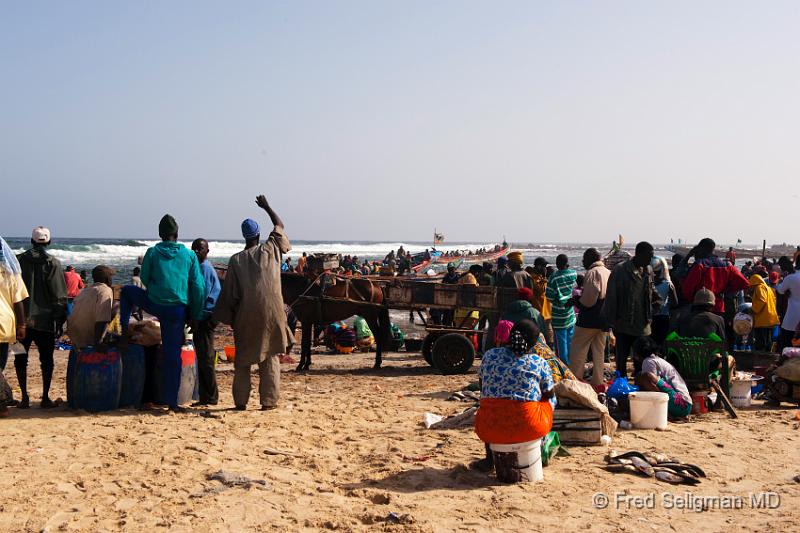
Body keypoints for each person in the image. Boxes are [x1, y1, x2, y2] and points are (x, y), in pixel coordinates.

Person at [119, 215, 206, 412]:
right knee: (172, 355)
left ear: (160, 235)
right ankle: (172, 403)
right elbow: (198, 287)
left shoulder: (152, 252)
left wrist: (156, 291)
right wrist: (196, 314)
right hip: (177, 310)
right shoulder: (189, 256)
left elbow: (144, 277)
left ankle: (123, 332)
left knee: (126, 292)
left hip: (155, 304)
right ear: (177, 234)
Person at [214, 195, 292, 411]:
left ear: (244, 237)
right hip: (273, 313)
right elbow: (280, 224)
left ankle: (240, 402)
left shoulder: (236, 260)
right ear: (258, 235)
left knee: (243, 360)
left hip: (247, 315)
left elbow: (230, 294)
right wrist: (267, 207)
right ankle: (268, 402)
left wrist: (228, 317)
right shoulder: (271, 248)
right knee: (270, 356)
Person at [474, 320, 555, 471]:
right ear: (534, 343)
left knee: (490, 402)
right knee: (549, 400)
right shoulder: (539, 362)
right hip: (529, 428)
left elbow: (483, 386)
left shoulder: (489, 355)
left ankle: (489, 459)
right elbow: (549, 393)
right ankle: (540, 447)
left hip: (488, 427)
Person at [16, 226, 68, 408]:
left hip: (21, 321)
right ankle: (45, 398)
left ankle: (24, 398)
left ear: (31, 241)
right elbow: (59, 295)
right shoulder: (53, 263)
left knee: (20, 358)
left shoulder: (18, 260)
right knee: (47, 360)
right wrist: (60, 321)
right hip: (45, 322)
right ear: (49, 242)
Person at [602, 241, 656, 377]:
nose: (651, 260)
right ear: (639, 254)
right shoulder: (620, 271)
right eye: (649, 256)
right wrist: (609, 323)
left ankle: (640, 384)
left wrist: (657, 302)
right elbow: (611, 297)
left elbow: (651, 290)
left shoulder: (648, 270)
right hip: (623, 324)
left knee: (643, 359)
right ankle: (622, 388)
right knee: (621, 359)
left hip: (643, 325)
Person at [569, 248, 611, 387]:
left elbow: (589, 300)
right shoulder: (608, 272)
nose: (582, 262)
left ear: (591, 259)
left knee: (578, 350)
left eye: (584, 259)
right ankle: (598, 382)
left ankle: (576, 380)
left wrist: (576, 301)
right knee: (599, 352)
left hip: (589, 319)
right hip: (604, 319)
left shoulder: (593, 273)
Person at [676, 238, 749, 314]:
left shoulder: (700, 264)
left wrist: (688, 256)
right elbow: (744, 283)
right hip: (719, 307)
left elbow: (687, 289)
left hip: (700, 307)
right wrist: (727, 291)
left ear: (701, 249)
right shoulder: (727, 265)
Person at [191, 238, 221, 406]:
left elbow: (204, 297)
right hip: (203, 316)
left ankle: (210, 396)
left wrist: (197, 317)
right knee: (202, 357)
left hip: (206, 317)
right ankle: (205, 396)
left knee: (206, 358)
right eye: (194, 248)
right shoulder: (199, 268)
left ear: (206, 251)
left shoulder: (204, 269)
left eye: (199, 249)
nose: (196, 251)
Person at [0, 237, 29, 412]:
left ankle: (2, 403)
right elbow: (18, 301)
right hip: (4, 322)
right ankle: (4, 401)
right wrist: (22, 325)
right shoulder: (10, 271)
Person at [632, 337, 692, 419]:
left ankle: (661, 409)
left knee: (644, 377)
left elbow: (648, 383)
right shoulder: (655, 360)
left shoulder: (648, 361)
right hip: (685, 405)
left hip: (681, 404)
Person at [66, 265, 115, 349]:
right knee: (116, 307)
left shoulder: (85, 291)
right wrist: (98, 343)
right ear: (107, 279)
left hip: (75, 337)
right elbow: (102, 319)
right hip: (89, 339)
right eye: (111, 277)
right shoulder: (105, 290)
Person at [545, 254, 577, 364]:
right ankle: (571, 363)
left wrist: (557, 301)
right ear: (567, 263)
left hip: (558, 314)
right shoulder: (573, 273)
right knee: (570, 340)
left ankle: (564, 366)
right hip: (570, 313)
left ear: (557, 264)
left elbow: (549, 296)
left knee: (561, 342)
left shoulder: (554, 277)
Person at [651, 257, 678, 345]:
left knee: (651, 341)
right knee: (661, 342)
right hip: (663, 317)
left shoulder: (646, 284)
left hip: (649, 317)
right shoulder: (668, 284)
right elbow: (675, 303)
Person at [749, 270, 779, 350]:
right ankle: (768, 356)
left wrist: (753, 310)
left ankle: (762, 358)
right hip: (770, 318)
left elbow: (762, 300)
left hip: (763, 319)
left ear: (754, 283)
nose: (750, 287)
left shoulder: (759, 287)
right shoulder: (769, 288)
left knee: (762, 341)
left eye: (751, 285)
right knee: (768, 340)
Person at [777, 264, 800, 350]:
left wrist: (782, 282)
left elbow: (780, 290)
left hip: (791, 320)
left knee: (787, 349)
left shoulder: (790, 278)